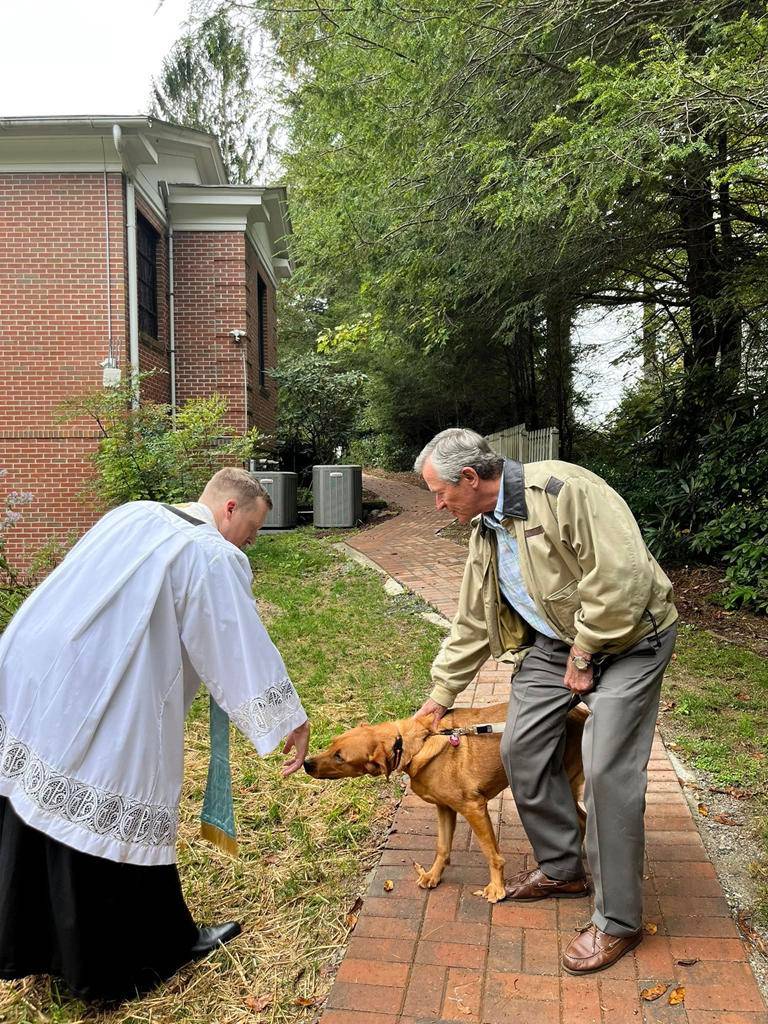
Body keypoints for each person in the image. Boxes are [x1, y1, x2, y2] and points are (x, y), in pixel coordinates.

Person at [0, 468, 310, 1001]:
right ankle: (112, 966)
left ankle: (32, 945)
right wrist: (287, 718)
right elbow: (234, 642)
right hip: (106, 695)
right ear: (229, 509)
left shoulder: (134, 513)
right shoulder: (208, 552)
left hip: (38, 671)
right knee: (113, 800)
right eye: (253, 531)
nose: (251, 544)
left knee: (36, 797)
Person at [413, 428, 677, 975]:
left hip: (630, 640)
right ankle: (563, 867)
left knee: (607, 773)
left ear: (469, 478)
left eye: (440, 491)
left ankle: (617, 920)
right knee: (522, 749)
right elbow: (470, 623)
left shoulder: (563, 490)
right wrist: (439, 698)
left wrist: (585, 652)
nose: (436, 503)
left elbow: (622, 576)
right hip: (554, 644)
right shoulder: (485, 531)